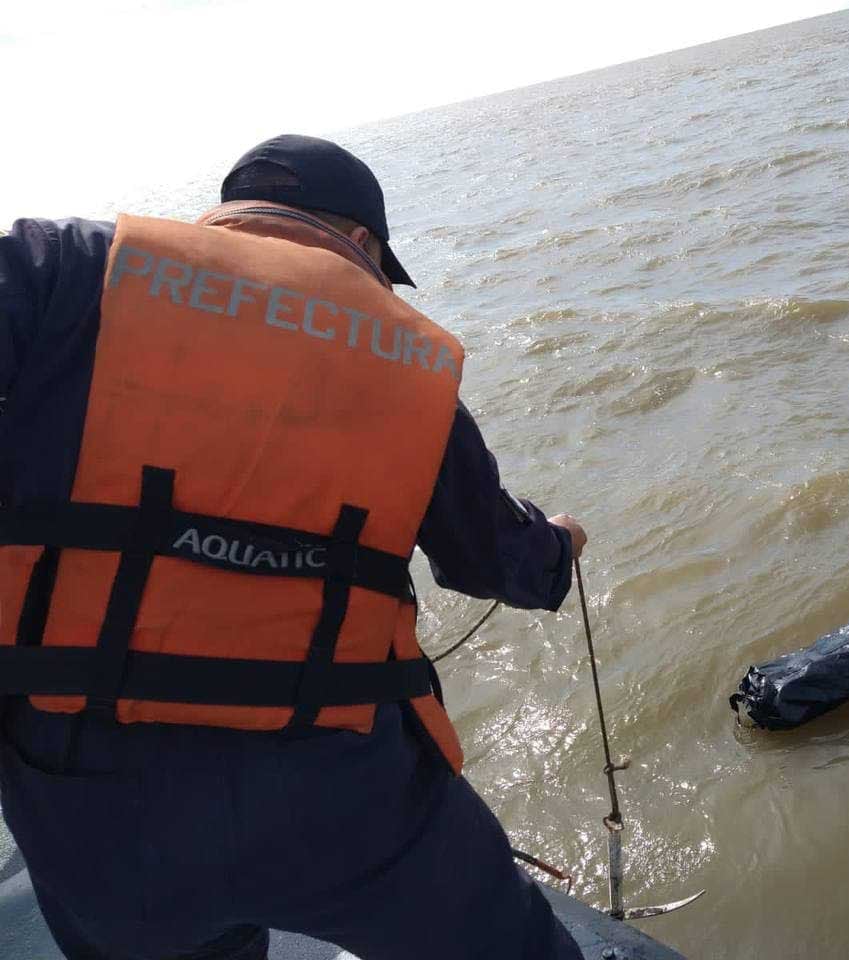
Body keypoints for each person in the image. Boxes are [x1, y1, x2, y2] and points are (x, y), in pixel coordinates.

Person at [0, 134, 588, 960]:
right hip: (346, 787)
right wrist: (559, 545)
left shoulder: (58, 268)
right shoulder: (403, 351)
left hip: (85, 799)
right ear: (362, 245)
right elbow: (493, 560)